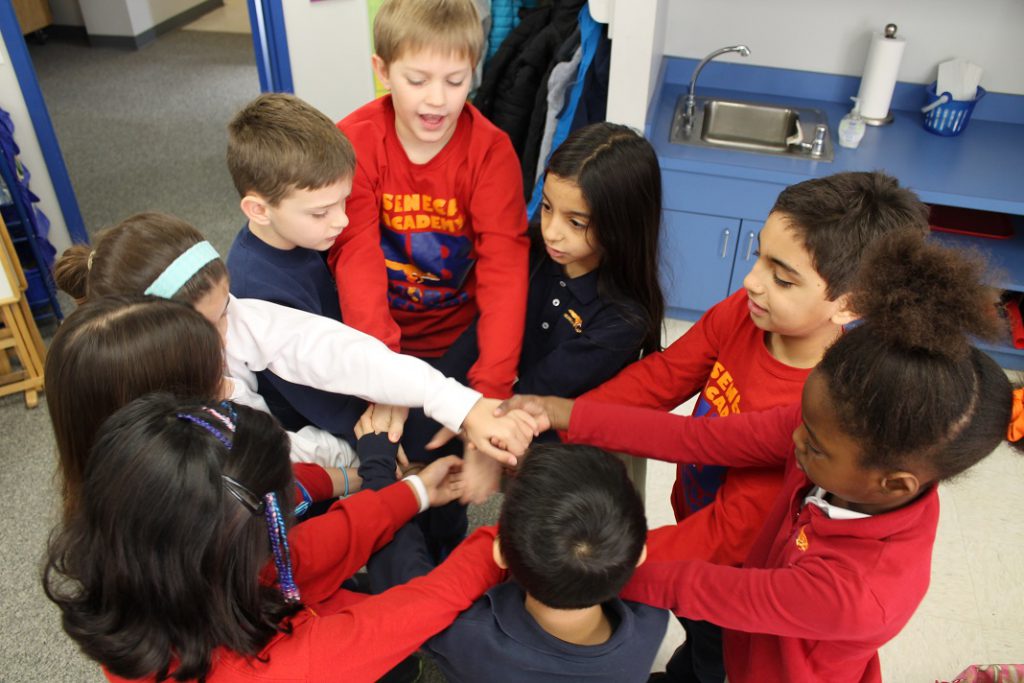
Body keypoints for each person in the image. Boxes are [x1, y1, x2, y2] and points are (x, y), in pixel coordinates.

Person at [516, 232, 1023, 683]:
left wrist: (560, 563)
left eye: (814, 446)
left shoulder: (856, 592)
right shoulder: (832, 432)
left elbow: (702, 586)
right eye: (799, 421)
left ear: (895, 484)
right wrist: (565, 413)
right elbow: (699, 441)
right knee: (697, 658)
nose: (793, 441)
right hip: (733, 631)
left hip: (760, 664)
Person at [570, 171, 930, 680]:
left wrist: (597, 563)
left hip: (738, 576)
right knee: (696, 645)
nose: (751, 281)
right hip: (694, 521)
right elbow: (665, 377)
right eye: (758, 256)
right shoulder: (748, 312)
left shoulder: (822, 416)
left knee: (716, 652)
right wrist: (568, 422)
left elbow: (729, 535)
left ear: (851, 303)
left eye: (783, 278)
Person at [44, 393, 506, 683]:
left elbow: (309, 549)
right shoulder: (297, 666)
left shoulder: (145, 576)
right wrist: (510, 537)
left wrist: (415, 491)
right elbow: (407, 614)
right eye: (288, 511)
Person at [52, 212, 538, 475]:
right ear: (155, 338)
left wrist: (459, 404)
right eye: (214, 322)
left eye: (229, 304)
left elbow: (330, 350)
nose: (232, 323)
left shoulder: (224, 317)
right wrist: (362, 461)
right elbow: (267, 457)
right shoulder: (161, 414)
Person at [353, 421, 671, 682]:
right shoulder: (652, 619)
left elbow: (402, 580)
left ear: (499, 553)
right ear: (639, 554)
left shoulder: (468, 636)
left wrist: (379, 470)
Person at [330, 0, 529, 408]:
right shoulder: (354, 143)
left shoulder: (491, 153)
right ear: (383, 71)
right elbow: (356, 260)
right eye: (418, 81)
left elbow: (504, 272)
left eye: (455, 81)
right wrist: (382, 377)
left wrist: (492, 389)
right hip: (371, 338)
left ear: (474, 69)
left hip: (459, 335)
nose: (437, 99)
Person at [43, 296, 350, 520]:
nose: (224, 365)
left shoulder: (117, 488)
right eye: (213, 371)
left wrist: (353, 474)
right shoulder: (204, 506)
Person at [225, 92, 372, 445]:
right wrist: (369, 436)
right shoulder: (255, 288)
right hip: (315, 426)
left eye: (344, 201)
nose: (342, 220)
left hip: (344, 371)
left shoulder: (304, 235)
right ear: (258, 210)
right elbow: (310, 389)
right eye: (321, 212)